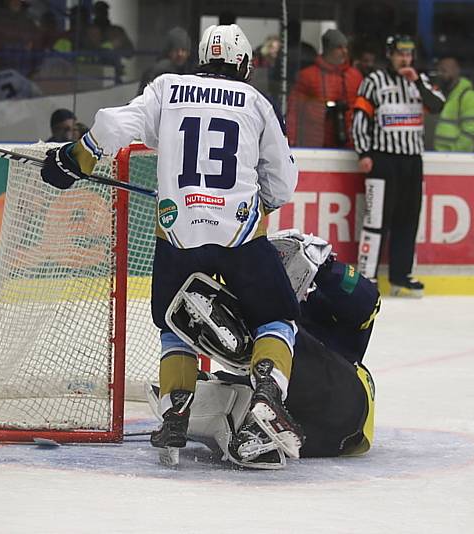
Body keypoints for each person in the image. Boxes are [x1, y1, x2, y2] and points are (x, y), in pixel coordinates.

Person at [40, 24, 302, 467]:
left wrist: (76, 158)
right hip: (237, 233)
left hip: (178, 234)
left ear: (201, 58)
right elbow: (282, 182)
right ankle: (266, 400)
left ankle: (176, 413)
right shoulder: (257, 102)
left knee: (176, 324)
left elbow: (114, 124)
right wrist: (263, 200)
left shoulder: (167, 88)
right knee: (277, 318)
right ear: (244, 64)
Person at [147, 230, 378, 468]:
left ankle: (194, 396)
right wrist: (216, 381)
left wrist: (327, 266)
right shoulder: (278, 319)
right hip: (309, 438)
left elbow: (368, 301)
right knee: (251, 387)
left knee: (271, 336)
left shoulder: (324, 309)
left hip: (346, 403)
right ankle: (248, 437)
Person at [352, 35, 444, 298]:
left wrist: (416, 81)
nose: (405, 59)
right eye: (400, 54)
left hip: (412, 160)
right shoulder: (374, 82)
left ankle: (401, 276)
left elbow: (438, 105)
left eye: (409, 54)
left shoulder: (420, 81)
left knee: (408, 219)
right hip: (383, 159)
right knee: (376, 220)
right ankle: (367, 276)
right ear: (390, 55)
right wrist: (364, 152)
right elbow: (359, 118)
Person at [286, 29, 363, 148]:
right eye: (339, 48)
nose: (344, 52)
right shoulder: (307, 76)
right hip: (315, 144)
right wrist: (290, 141)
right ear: (328, 49)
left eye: (345, 47)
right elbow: (294, 111)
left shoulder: (355, 77)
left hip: (350, 143)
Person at [433, 57, 474, 152]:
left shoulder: (469, 97)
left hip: (456, 158)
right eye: (438, 71)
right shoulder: (445, 94)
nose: (440, 75)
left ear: (456, 71)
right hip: (440, 154)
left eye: (444, 71)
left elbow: (470, 132)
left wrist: (455, 153)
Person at [137, 27, 192, 95]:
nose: (180, 54)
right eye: (176, 50)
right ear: (168, 51)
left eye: (183, 50)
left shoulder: (191, 73)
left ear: (188, 53)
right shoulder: (157, 72)